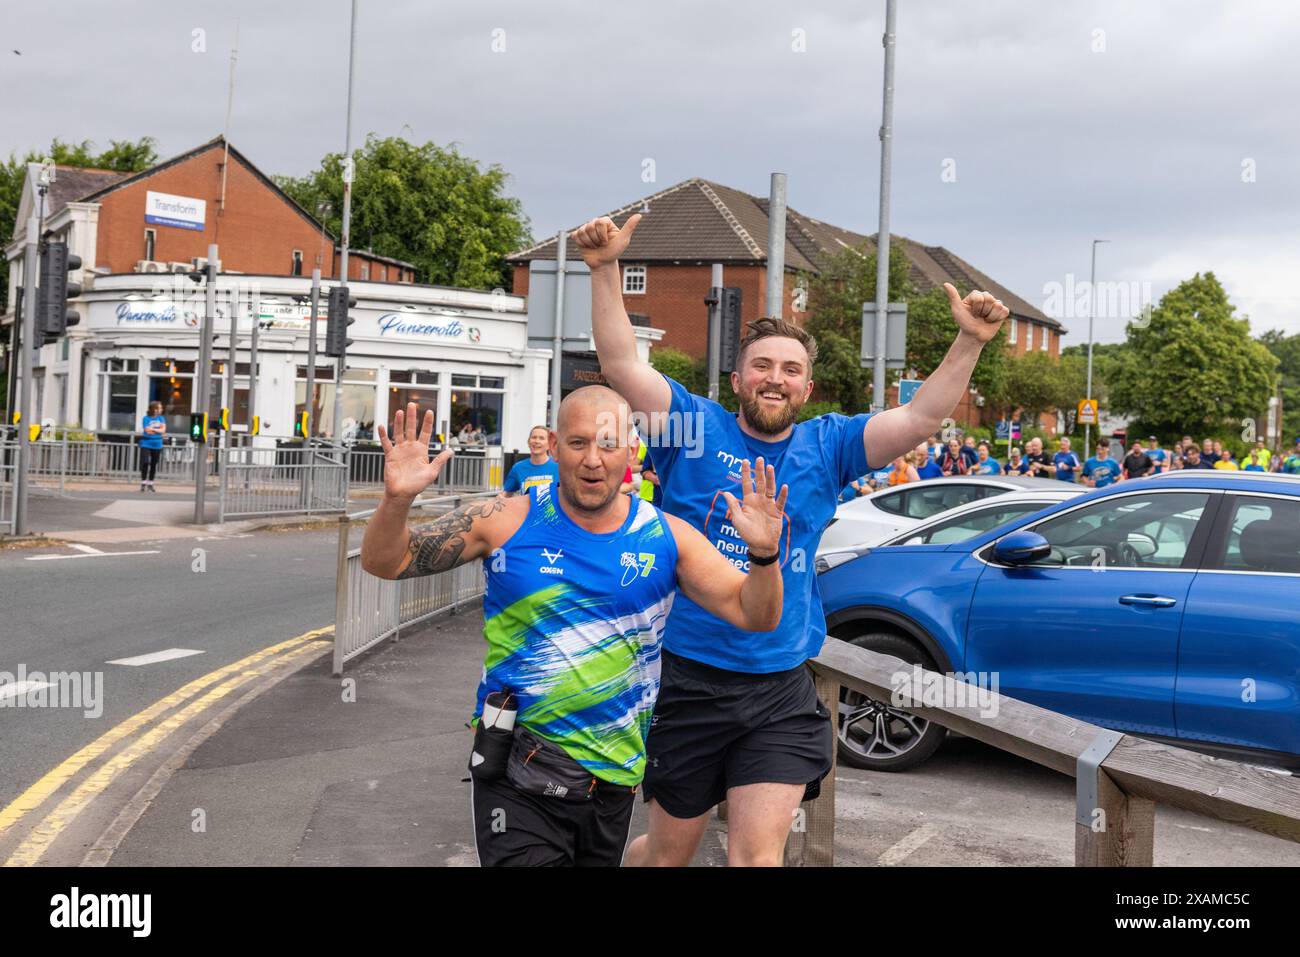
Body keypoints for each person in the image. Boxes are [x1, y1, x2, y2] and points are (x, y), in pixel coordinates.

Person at [574, 211, 1010, 866]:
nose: (774, 377)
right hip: (687, 679)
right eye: (761, 366)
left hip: (778, 685)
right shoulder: (689, 428)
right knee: (668, 854)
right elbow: (618, 362)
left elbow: (921, 416)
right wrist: (605, 268)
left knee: (757, 856)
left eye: (789, 368)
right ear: (738, 379)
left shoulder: (828, 445)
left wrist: (970, 340)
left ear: (806, 386)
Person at [360, 393, 787, 867]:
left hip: (613, 775)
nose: (591, 459)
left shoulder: (668, 537)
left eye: (607, 444)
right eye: (578, 442)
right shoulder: (503, 520)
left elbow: (757, 615)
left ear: (631, 451)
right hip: (518, 768)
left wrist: (765, 556)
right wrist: (397, 500)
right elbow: (386, 561)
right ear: (557, 446)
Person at [502, 425, 560, 497]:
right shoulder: (518, 468)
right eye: (534, 437)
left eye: (541, 438)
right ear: (528, 442)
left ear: (549, 444)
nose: (536, 441)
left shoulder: (559, 466)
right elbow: (506, 495)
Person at [139, 401, 166, 493]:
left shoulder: (161, 418)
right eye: (160, 408)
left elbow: (163, 430)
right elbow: (147, 431)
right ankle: (143, 482)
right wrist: (158, 430)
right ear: (154, 409)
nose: (161, 409)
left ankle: (150, 483)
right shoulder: (146, 418)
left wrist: (154, 429)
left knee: (154, 464)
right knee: (145, 462)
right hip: (146, 443)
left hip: (157, 444)